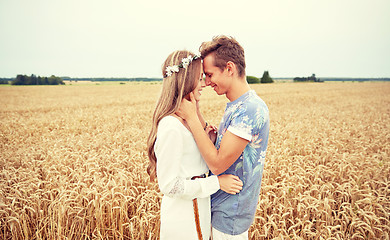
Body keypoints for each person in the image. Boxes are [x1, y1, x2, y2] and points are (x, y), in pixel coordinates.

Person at [176, 36, 270, 239]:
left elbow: (218, 164)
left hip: (230, 215)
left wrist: (192, 117)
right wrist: (198, 113)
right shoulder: (238, 105)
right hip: (221, 208)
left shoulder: (250, 109)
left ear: (229, 68)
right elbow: (225, 153)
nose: (207, 82)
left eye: (209, 75)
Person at [146, 50, 243, 240]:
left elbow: (193, 164)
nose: (205, 84)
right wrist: (217, 183)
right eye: (199, 78)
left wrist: (209, 137)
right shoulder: (171, 126)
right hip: (182, 221)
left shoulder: (188, 122)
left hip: (198, 211)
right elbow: (169, 186)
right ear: (185, 81)